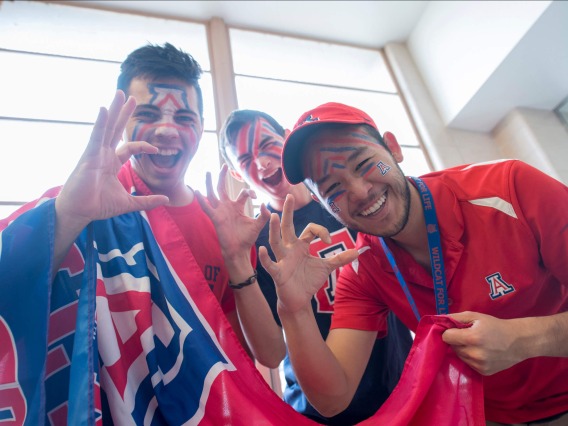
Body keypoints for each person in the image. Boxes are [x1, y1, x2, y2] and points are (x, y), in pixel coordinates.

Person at [0, 43, 316, 425]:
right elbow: (11, 289)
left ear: (200, 127)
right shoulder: (77, 200)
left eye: (184, 117)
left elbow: (268, 353)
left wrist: (235, 259)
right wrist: (69, 215)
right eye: (148, 114)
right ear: (122, 121)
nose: (167, 130)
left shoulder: (220, 223)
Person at [256, 102, 568, 425]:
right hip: (484, 413)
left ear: (392, 148)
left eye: (363, 163)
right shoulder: (364, 268)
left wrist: (522, 340)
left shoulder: (509, 189)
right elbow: (333, 398)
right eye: (333, 188)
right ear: (323, 204)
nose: (360, 192)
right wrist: (294, 310)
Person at [205, 109, 413, 425]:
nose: (261, 163)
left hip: (400, 387)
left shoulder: (347, 201)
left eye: (266, 144)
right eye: (245, 159)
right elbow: (271, 354)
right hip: (318, 409)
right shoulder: (256, 243)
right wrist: (234, 258)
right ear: (237, 175)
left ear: (288, 138)